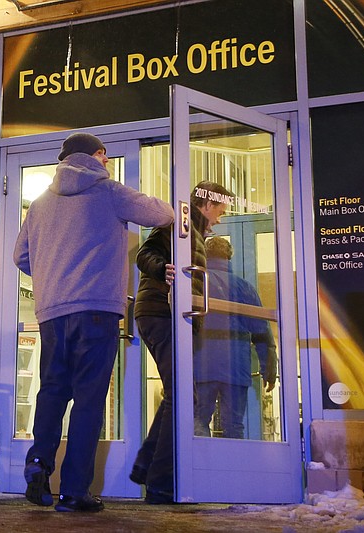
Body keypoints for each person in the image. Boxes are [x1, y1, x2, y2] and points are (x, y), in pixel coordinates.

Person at [13, 132, 174, 512]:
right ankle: (73, 492)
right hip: (98, 311)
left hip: (52, 314)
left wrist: (55, 272)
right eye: (105, 157)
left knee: (52, 392)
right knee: (88, 400)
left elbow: (21, 257)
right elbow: (164, 215)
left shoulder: (39, 204)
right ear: (99, 155)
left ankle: (38, 467)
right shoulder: (110, 191)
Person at [130, 180, 233, 504]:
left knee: (178, 394)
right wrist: (165, 270)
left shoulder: (194, 233)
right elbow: (145, 255)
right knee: (182, 396)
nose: (221, 218)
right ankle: (160, 483)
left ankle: (148, 467)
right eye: (221, 210)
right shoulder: (179, 223)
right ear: (207, 204)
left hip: (170, 314)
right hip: (162, 312)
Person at [193, 236, 278, 439]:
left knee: (199, 422)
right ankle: (232, 467)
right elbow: (261, 331)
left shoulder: (197, 283)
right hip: (236, 366)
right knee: (234, 425)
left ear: (206, 255)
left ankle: (201, 468)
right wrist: (269, 369)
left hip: (202, 365)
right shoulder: (244, 288)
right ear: (229, 257)